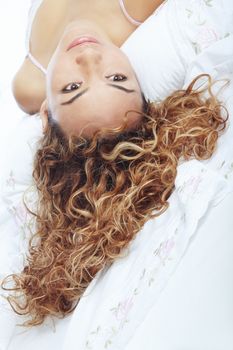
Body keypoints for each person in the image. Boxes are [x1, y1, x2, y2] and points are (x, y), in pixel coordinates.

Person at [1, 0, 227, 329]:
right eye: (117, 77)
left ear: (47, 116)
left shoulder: (28, 87)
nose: (89, 58)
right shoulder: (133, 8)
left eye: (73, 88)